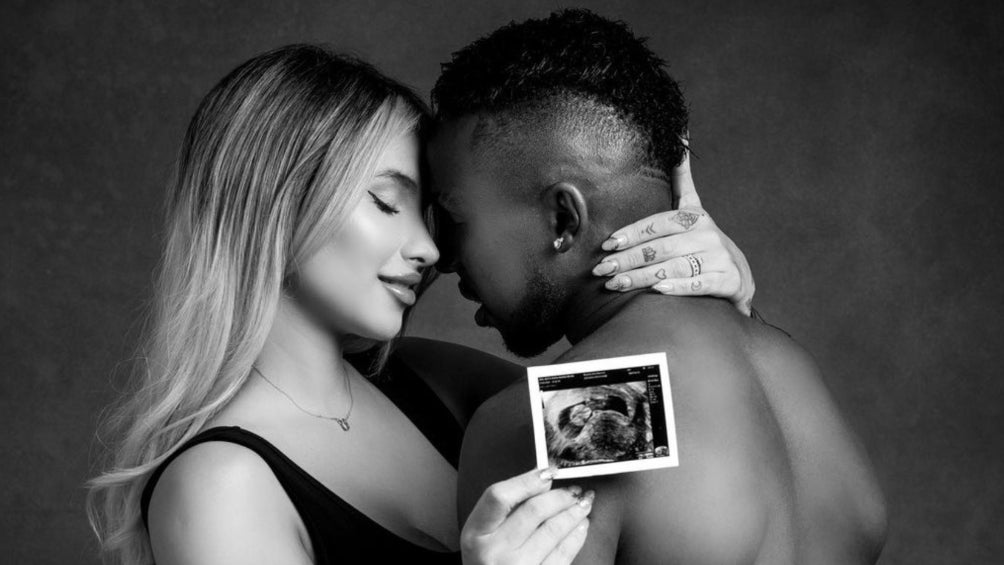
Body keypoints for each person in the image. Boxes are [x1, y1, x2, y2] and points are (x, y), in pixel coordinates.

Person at [86, 44, 755, 564]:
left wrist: (703, 292)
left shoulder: (438, 384)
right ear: (273, 205)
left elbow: (672, 417)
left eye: (432, 215)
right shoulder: (219, 485)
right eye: (386, 202)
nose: (430, 249)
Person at [432, 10, 888, 564]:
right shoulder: (789, 369)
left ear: (563, 220)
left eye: (456, 221)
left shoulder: (560, 412)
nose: (443, 256)